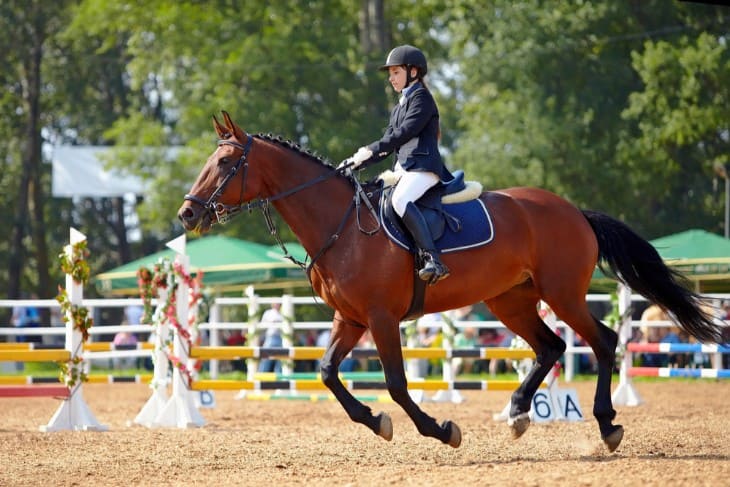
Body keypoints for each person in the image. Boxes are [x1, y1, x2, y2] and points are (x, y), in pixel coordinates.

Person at [342, 44, 451, 284]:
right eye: (390, 74)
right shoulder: (399, 106)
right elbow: (387, 146)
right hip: (404, 170)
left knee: (400, 200)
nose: (391, 79)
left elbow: (403, 134)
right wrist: (356, 161)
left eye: (396, 73)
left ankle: (434, 260)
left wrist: (370, 148)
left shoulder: (422, 98)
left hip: (423, 168)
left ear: (413, 72)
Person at [258, 302, 284, 373]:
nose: (277, 304)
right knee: (266, 359)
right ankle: (261, 376)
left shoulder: (282, 314)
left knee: (279, 361)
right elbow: (262, 326)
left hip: (280, 338)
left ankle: (279, 380)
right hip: (270, 338)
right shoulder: (268, 313)